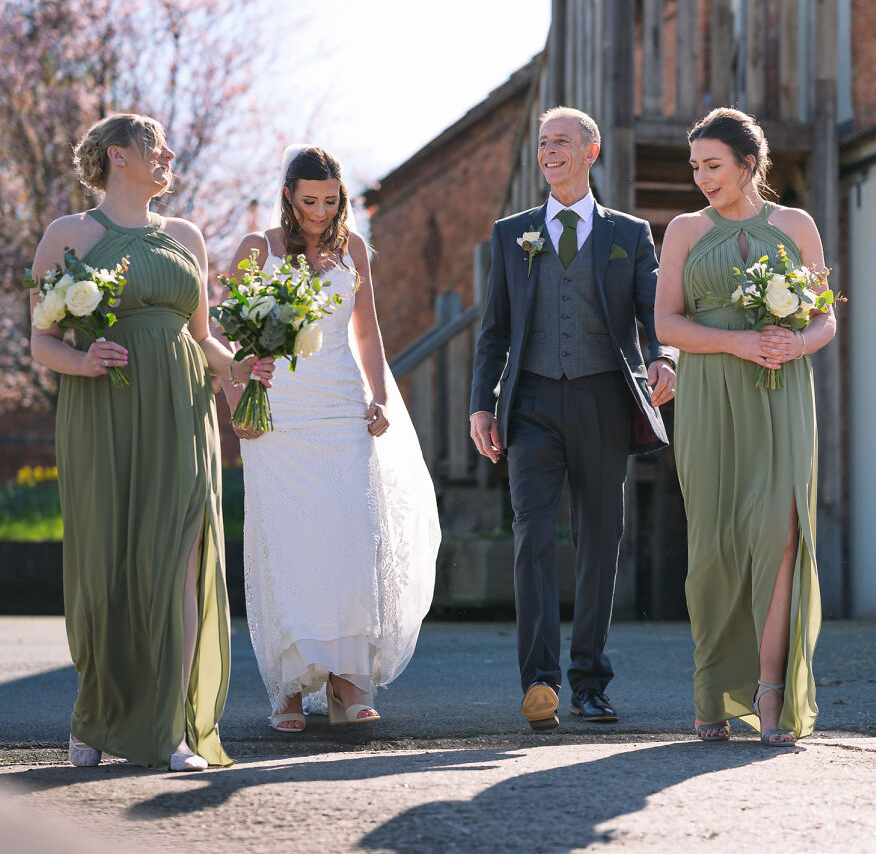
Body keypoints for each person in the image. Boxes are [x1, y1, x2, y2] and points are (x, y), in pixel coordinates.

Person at [29, 112, 275, 771]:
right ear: (117, 156)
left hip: (182, 413)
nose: (168, 154)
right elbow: (41, 338)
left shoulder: (187, 237)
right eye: (153, 145)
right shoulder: (68, 235)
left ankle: (171, 730)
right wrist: (80, 362)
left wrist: (242, 367)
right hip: (101, 410)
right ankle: (97, 716)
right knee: (108, 565)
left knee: (179, 559)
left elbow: (200, 339)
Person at [469, 107, 677, 731]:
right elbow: (495, 329)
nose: (548, 151)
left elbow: (655, 311)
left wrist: (664, 358)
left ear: (590, 152)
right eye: (541, 143)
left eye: (560, 141)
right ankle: (539, 682)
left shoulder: (630, 234)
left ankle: (590, 681)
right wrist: (483, 403)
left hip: (604, 399)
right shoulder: (513, 235)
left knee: (598, 540)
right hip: (530, 401)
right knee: (531, 535)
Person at [222, 144, 439, 732]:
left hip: (343, 406)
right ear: (289, 195)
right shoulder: (256, 250)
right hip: (280, 413)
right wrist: (237, 394)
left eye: (331, 200)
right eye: (309, 200)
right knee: (288, 545)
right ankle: (289, 689)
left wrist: (380, 396)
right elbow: (227, 334)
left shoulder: (355, 250)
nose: (320, 211)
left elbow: (367, 334)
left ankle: (347, 683)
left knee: (350, 537)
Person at [655, 107, 836, 747]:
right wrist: (732, 345)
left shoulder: (795, 225)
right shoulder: (682, 230)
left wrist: (797, 345)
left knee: (777, 534)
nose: (702, 177)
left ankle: (769, 692)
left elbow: (824, 320)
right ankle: (712, 695)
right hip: (708, 395)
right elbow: (667, 325)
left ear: (749, 164)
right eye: (695, 166)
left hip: (781, 392)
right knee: (714, 545)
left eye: (713, 165)